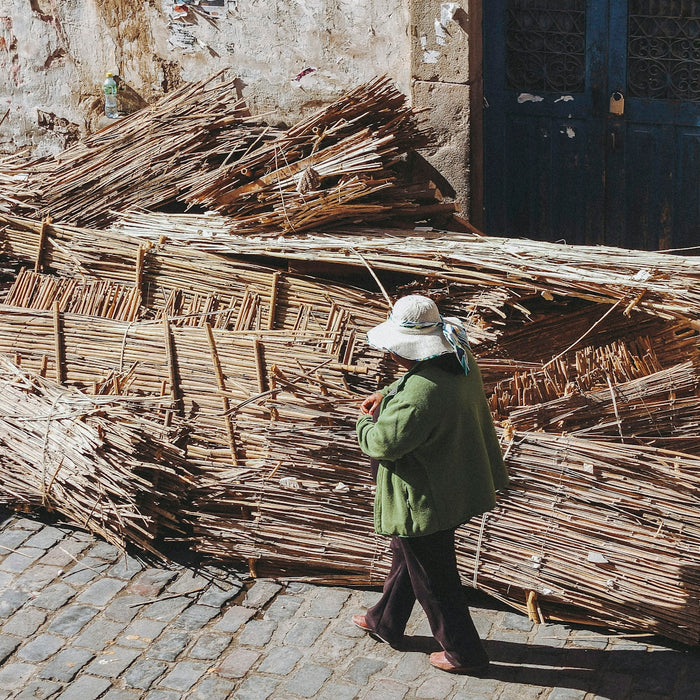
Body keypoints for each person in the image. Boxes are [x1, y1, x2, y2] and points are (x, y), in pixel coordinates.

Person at [353, 294, 508, 675]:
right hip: (456, 480)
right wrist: (387, 393)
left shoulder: (421, 398)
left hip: (424, 498)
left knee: (434, 577)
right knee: (409, 554)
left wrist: (362, 424)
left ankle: (463, 651)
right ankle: (384, 621)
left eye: (395, 350)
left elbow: (382, 443)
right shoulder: (458, 358)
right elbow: (412, 384)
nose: (392, 356)